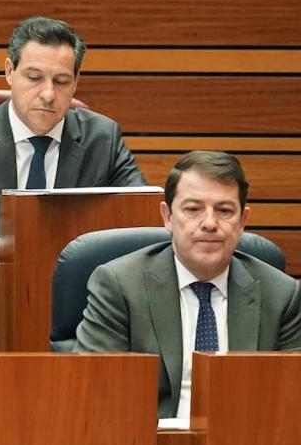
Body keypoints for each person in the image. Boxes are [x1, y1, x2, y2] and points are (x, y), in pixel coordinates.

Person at [76, 151, 301, 419]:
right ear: (168, 216)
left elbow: (291, 402)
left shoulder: (282, 295)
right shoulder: (118, 285)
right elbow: (93, 392)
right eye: (193, 209)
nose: (209, 223)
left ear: (243, 221)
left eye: (224, 210)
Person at [0, 16, 145, 258]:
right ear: (10, 72)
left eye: (61, 81)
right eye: (34, 78)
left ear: (76, 82)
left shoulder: (103, 140)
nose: (48, 94)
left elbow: (140, 221)